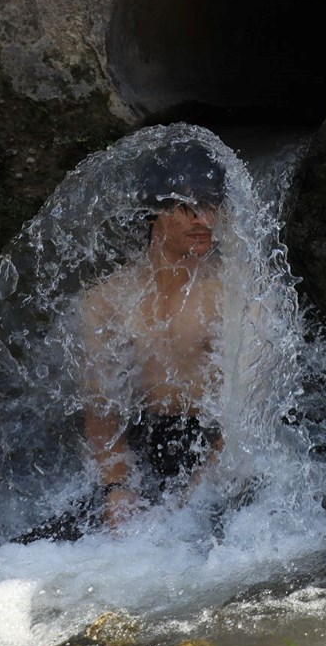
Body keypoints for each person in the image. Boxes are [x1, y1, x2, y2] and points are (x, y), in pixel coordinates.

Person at [75, 141, 227, 531]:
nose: (204, 221)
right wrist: (118, 488)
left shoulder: (237, 294)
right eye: (187, 208)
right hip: (144, 450)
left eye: (211, 207)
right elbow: (102, 410)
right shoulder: (106, 300)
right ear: (154, 213)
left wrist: (191, 499)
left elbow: (248, 421)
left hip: (218, 453)